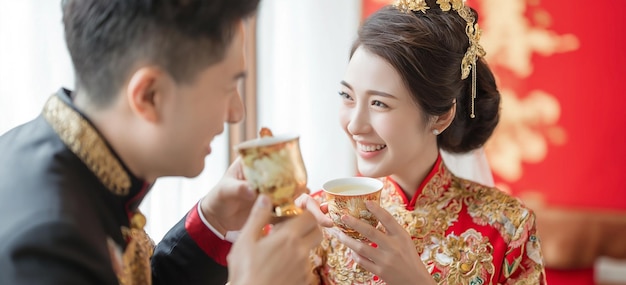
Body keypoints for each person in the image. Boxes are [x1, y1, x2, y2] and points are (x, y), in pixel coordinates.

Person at [0, 0, 323, 284]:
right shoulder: (46, 249)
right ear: (149, 96)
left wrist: (215, 221)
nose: (236, 113)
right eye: (227, 87)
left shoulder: (54, 156)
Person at [307, 0, 547, 284]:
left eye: (379, 103)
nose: (355, 124)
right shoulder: (318, 219)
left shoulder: (508, 227)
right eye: (347, 96)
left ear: (441, 116)